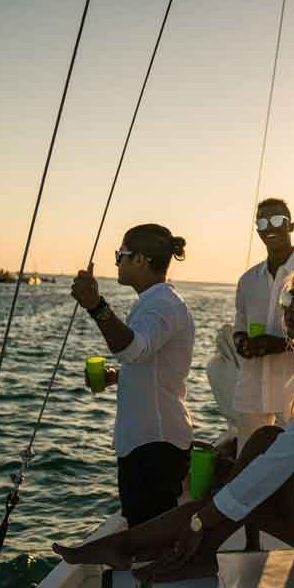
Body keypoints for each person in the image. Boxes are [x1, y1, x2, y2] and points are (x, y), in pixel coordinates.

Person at [54, 263, 294, 588]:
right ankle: (152, 547)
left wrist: (203, 520)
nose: (290, 308)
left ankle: (134, 545)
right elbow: (281, 454)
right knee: (260, 443)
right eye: (288, 298)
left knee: (254, 467)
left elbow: (277, 466)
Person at [71, 223, 195, 529]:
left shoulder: (162, 305)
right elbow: (146, 360)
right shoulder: (157, 302)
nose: (117, 262)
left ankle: (154, 575)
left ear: (140, 259)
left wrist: (95, 305)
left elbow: (134, 350)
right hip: (151, 440)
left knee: (151, 535)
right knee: (147, 528)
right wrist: (117, 376)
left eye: (121, 255)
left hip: (154, 444)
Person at [232, 198, 294, 443]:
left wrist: (275, 344)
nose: (270, 227)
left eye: (277, 220)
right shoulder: (248, 280)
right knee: (247, 462)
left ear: (291, 225)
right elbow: (239, 326)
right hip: (252, 389)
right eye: (263, 222)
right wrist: (242, 342)